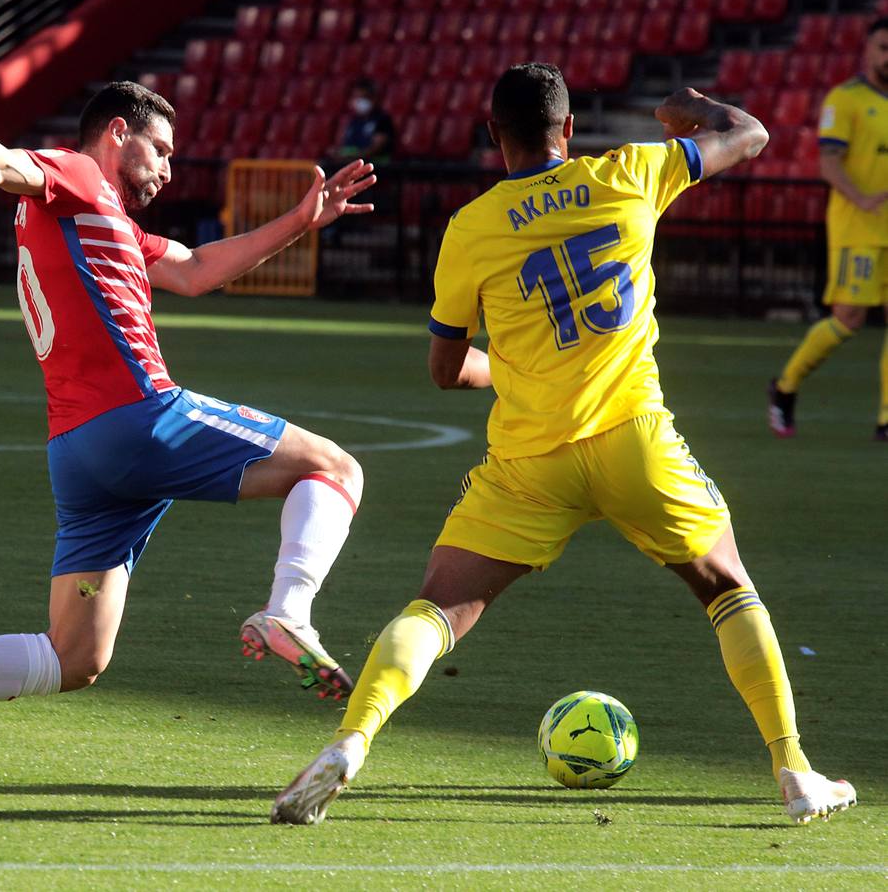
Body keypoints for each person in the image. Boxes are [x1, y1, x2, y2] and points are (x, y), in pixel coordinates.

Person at [272, 65, 857, 827]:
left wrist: (501, 367)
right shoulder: (633, 172)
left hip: (530, 458)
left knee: (439, 607)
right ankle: (794, 769)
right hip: (634, 439)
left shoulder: (473, 227)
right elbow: (749, 135)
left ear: (494, 138)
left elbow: (446, 369)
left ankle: (351, 741)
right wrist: (693, 108)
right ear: (571, 129)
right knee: (724, 583)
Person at [0, 81, 376, 771]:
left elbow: (198, 270)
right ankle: (289, 609)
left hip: (79, 451)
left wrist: (297, 222)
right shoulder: (78, 176)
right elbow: (4, 160)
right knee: (336, 468)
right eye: (161, 150)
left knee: (75, 656)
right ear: (117, 133)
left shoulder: (108, 218)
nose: (168, 168)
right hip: (140, 418)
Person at [769, 16, 888, 441]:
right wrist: (863, 198)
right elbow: (829, 161)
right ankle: (785, 388)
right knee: (849, 319)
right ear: (868, 52)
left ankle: (886, 419)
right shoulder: (847, 99)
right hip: (858, 226)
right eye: (883, 48)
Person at [330, 78, 394, 163]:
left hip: (374, 166)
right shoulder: (354, 120)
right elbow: (346, 146)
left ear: (374, 98)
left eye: (364, 97)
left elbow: (376, 148)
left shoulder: (383, 120)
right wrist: (337, 153)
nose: (359, 101)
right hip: (350, 163)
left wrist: (354, 158)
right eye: (357, 97)